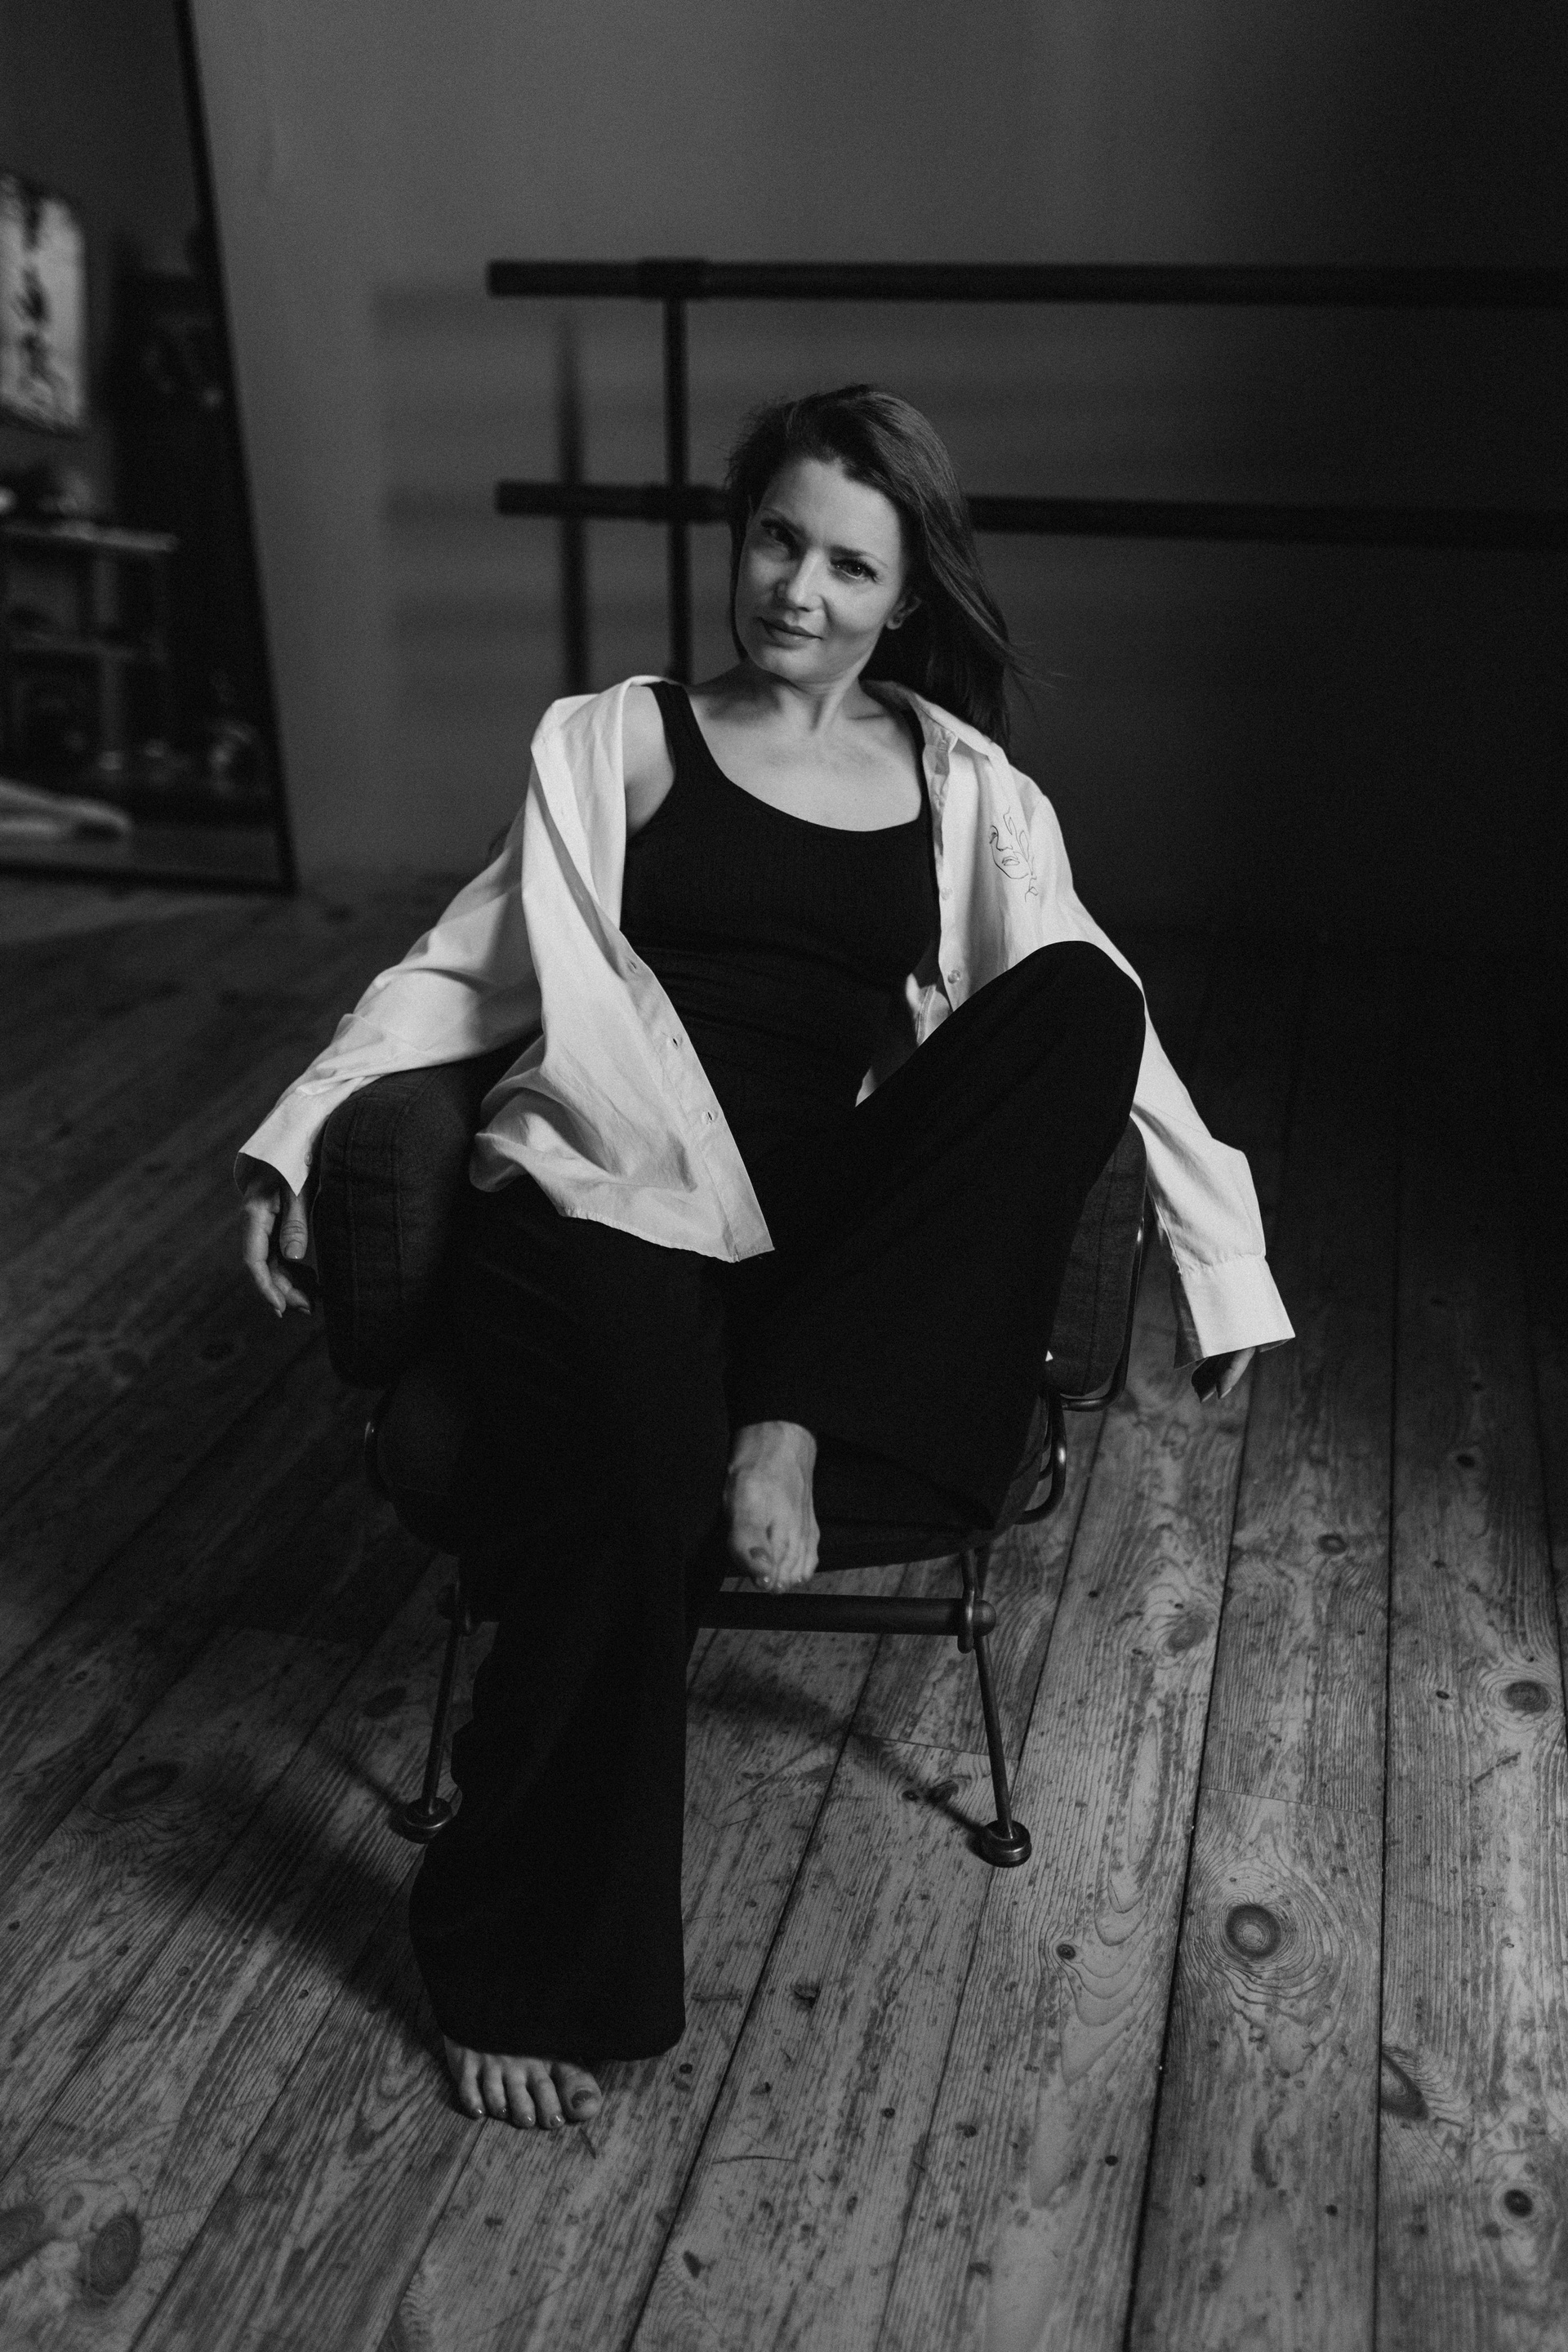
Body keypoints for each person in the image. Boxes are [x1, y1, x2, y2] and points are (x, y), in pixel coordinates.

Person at [238, 385, 1292, 2136]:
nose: (799, 588)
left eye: (849, 565)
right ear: (741, 542)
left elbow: (1113, 1026)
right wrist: (296, 1135)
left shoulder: (963, 789)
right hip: (596, 1186)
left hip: (804, 1229)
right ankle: (509, 1958)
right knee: (635, 1492)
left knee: (1078, 1003)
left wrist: (1219, 1249)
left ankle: (789, 1413)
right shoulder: (624, 741)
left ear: (905, 593)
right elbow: (459, 966)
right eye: (779, 540)